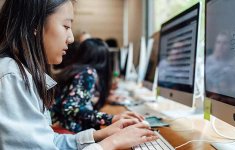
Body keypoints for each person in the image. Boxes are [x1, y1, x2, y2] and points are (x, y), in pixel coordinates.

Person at [0, 0, 158, 150]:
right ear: (35, 25)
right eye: (66, 26)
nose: (71, 38)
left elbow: (50, 142)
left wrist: (101, 135)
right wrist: (112, 142)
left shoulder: (24, 74)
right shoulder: (13, 77)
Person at [52, 38, 143, 133]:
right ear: (104, 59)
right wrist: (110, 118)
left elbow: (77, 98)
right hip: (69, 132)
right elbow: (70, 107)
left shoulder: (77, 70)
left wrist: (106, 98)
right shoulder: (87, 73)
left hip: (64, 127)